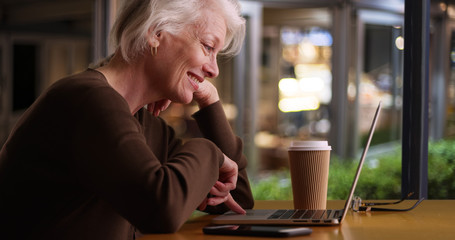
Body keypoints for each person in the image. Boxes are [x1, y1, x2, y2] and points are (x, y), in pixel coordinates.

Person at [0, 0, 254, 239]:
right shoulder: (86, 101)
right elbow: (160, 209)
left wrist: (209, 101)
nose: (214, 69)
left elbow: (238, 201)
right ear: (155, 32)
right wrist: (212, 154)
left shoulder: (143, 121)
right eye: (208, 47)